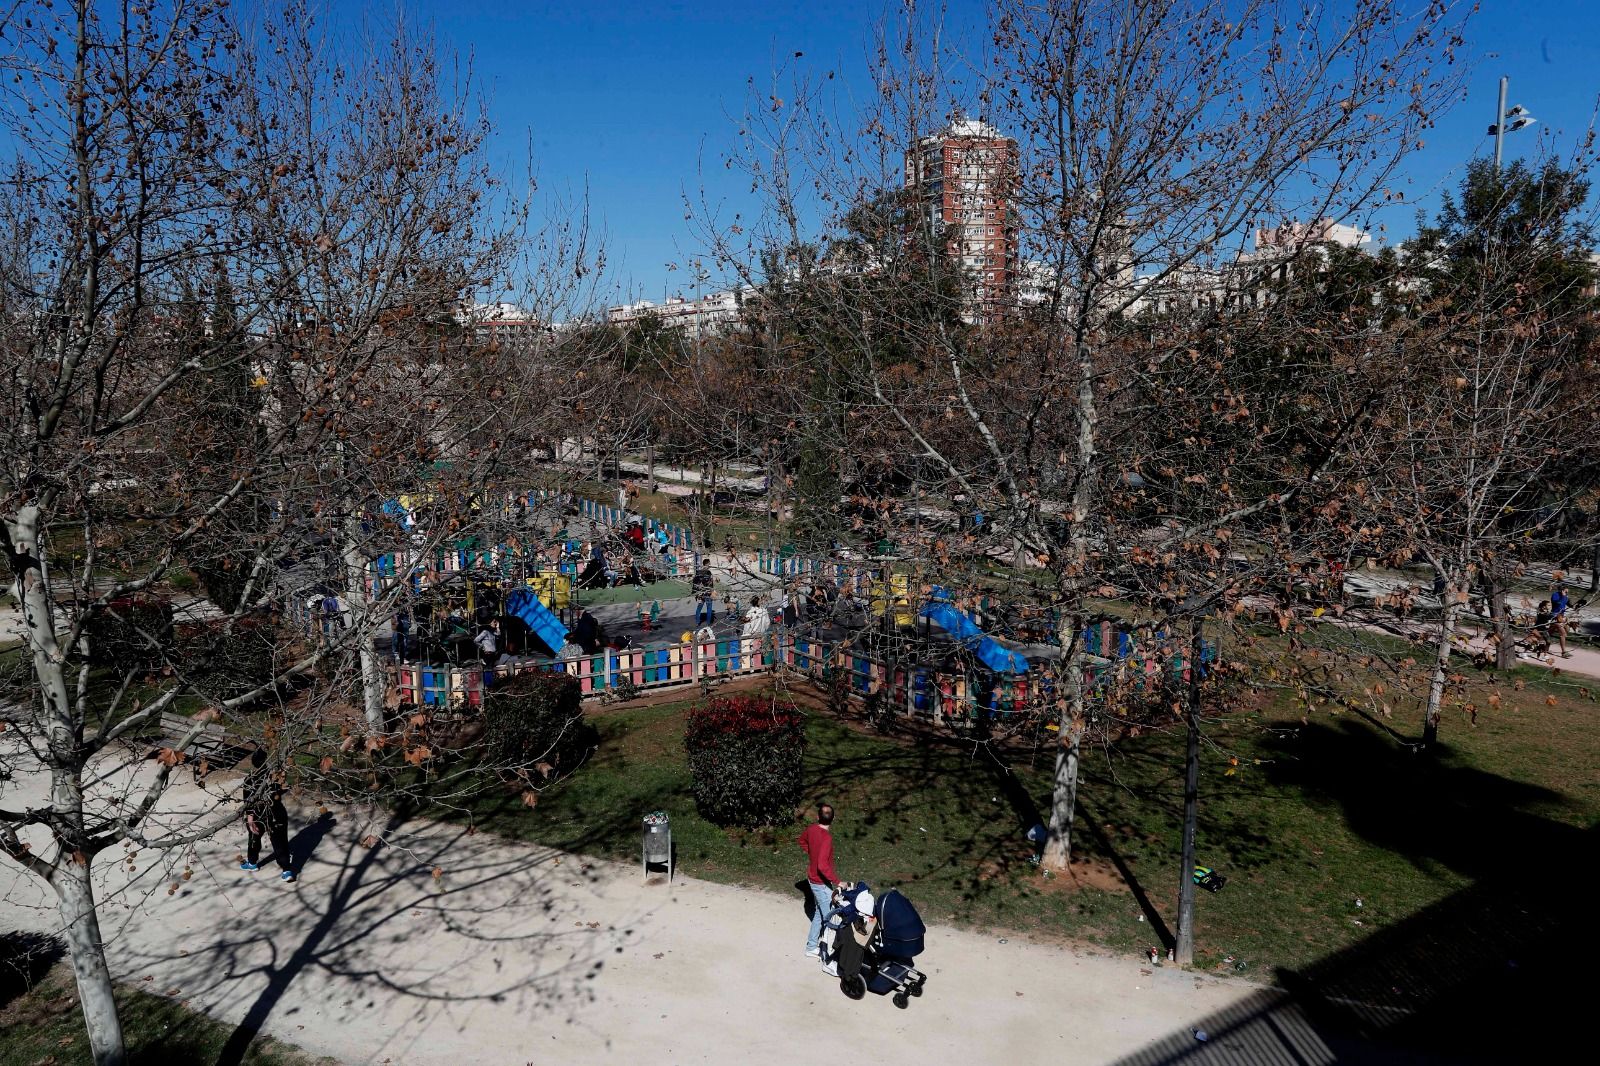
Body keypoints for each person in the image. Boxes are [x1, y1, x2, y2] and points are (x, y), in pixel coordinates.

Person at [240, 749, 295, 883]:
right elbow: (284, 788)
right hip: (276, 812)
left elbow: (248, 800)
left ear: (254, 763)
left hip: (258, 813)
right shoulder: (275, 776)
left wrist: (250, 816)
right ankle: (286, 870)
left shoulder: (250, 778)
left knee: (254, 837)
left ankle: (252, 863)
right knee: (280, 840)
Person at [797, 803, 838, 957]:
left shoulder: (811, 829)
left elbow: (802, 841)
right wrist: (838, 881)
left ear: (817, 817)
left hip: (816, 879)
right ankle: (821, 947)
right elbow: (822, 865)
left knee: (820, 912)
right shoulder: (826, 838)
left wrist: (812, 853)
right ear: (833, 818)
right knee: (828, 916)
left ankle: (813, 944)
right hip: (820, 882)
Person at [1551, 583, 1572, 658]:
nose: (1568, 590)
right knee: (1563, 634)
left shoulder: (1566, 596)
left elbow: (1569, 604)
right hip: (1555, 616)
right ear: (1562, 589)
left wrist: (1577, 606)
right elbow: (1557, 603)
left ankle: (1539, 644)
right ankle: (1564, 652)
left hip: (1561, 617)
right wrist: (1563, 597)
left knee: (1548, 633)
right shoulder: (1555, 595)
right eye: (1567, 589)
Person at [692, 562, 716, 627]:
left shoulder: (698, 572)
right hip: (708, 593)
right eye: (709, 564)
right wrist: (713, 591)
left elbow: (695, 583)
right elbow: (711, 584)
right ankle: (708, 623)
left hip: (700, 594)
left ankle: (697, 622)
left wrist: (696, 593)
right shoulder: (709, 573)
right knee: (709, 608)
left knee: (699, 608)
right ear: (707, 564)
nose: (709, 565)